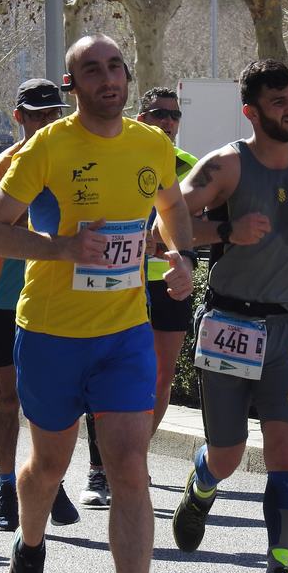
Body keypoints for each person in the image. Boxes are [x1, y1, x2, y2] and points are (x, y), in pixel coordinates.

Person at [0, 35, 195, 573]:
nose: (107, 79)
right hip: (49, 334)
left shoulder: (151, 146)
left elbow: (172, 207)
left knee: (129, 466)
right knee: (48, 467)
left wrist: (179, 257)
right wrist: (65, 249)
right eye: (91, 70)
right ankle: (31, 543)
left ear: (129, 76)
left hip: (124, 335)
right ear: (74, 87)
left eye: (115, 67)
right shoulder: (48, 148)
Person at [171, 59, 288, 573]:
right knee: (229, 453)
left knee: (285, 452)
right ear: (252, 112)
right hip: (228, 324)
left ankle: (277, 572)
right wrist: (225, 231)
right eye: (279, 103)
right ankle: (201, 485)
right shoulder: (226, 167)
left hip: (286, 326)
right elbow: (162, 225)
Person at [79, 86, 199, 507]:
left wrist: (174, 247)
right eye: (159, 113)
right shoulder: (120, 155)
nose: (168, 121)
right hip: (120, 281)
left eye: (175, 115)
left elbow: (203, 225)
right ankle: (101, 469)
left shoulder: (189, 167)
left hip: (168, 281)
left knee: (159, 378)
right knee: (111, 376)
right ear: (142, 117)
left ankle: (129, 459)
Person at [0, 78, 79, 531]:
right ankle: (5, 480)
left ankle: (46, 480)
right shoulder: (7, 164)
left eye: (54, 113)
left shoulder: (77, 158)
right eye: (37, 115)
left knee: (50, 400)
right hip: (9, 298)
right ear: (19, 118)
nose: (46, 122)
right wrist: (31, 235)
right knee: (7, 398)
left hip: (60, 299)